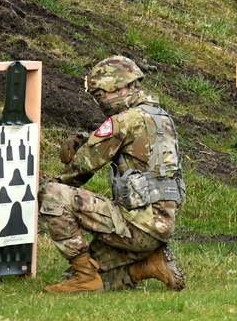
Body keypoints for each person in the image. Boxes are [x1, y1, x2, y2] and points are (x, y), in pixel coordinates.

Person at [38, 55, 186, 293]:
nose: (101, 102)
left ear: (121, 87)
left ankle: (86, 277)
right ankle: (147, 266)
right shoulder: (160, 117)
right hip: (160, 227)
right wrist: (86, 141)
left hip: (136, 226)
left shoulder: (125, 121)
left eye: (101, 95)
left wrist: (45, 191)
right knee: (69, 277)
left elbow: (80, 169)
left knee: (51, 195)